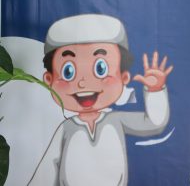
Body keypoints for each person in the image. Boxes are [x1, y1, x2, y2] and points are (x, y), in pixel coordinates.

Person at [29, 14, 172, 186]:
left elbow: (154, 124)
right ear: (49, 79)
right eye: (68, 71)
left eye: (100, 68)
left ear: (124, 77)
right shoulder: (66, 128)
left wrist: (155, 90)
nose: (83, 83)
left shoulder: (116, 120)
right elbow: (48, 168)